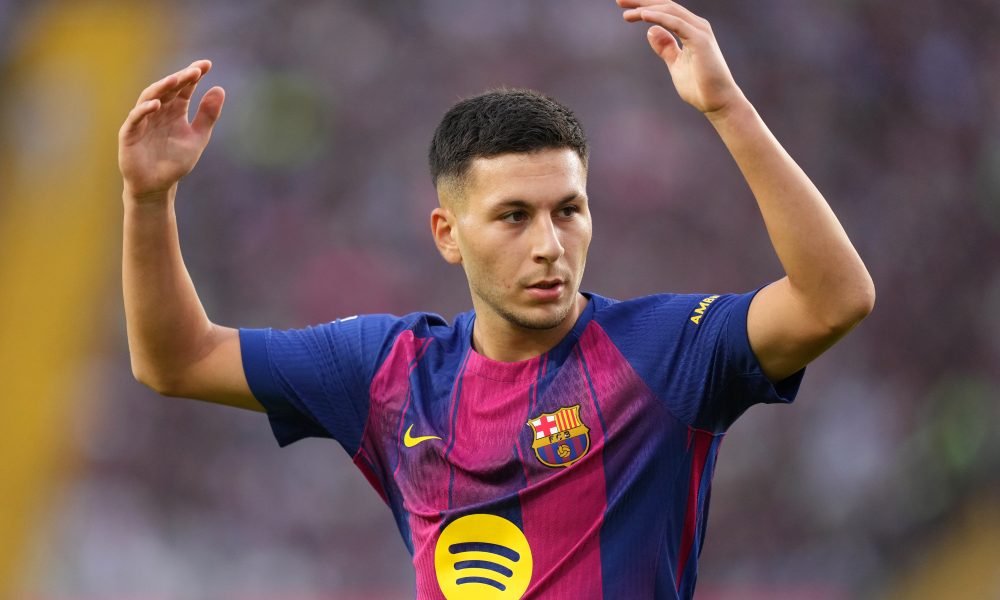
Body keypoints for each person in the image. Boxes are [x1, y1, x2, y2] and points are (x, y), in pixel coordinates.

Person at [118, 1, 874, 598]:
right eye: (514, 216)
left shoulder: (665, 350)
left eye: (568, 210)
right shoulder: (386, 371)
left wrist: (727, 108)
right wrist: (148, 200)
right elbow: (177, 360)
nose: (549, 244)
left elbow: (834, 300)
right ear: (447, 234)